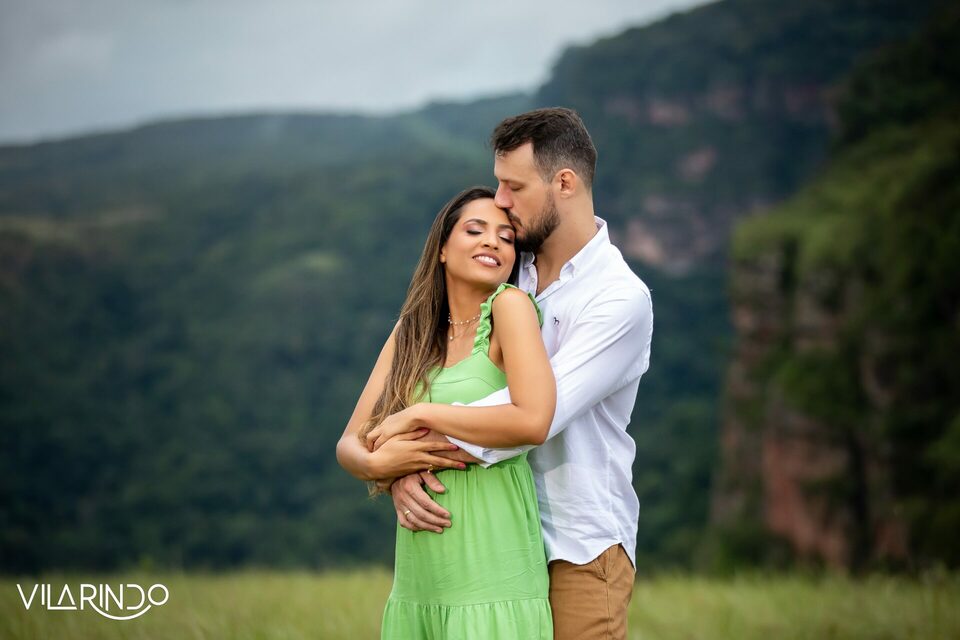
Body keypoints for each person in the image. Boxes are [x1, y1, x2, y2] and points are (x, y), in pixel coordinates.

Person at [384, 107, 654, 640]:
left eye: (514, 186)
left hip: (575, 548)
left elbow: (533, 417)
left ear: (565, 183)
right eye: (499, 184)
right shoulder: (508, 270)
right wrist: (394, 469)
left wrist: (405, 445)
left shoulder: (618, 299)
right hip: (492, 542)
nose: (501, 201)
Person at [336, 186, 557, 639]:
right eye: (475, 230)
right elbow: (349, 444)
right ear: (441, 248)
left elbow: (533, 421)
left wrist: (422, 415)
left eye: (506, 237)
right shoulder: (412, 330)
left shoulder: (510, 307)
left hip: (491, 568)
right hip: (420, 577)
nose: (493, 241)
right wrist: (383, 468)